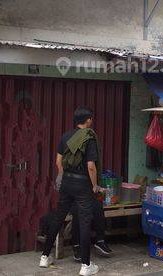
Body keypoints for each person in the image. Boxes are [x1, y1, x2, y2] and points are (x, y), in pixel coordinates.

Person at [40, 107, 100, 276]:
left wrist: (63, 177)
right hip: (82, 184)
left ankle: (44, 256)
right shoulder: (89, 138)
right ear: (88, 120)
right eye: (91, 119)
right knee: (85, 221)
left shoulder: (66, 136)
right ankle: (86, 265)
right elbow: (91, 166)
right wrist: (94, 185)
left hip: (67, 181)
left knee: (59, 217)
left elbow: (58, 162)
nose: (92, 122)